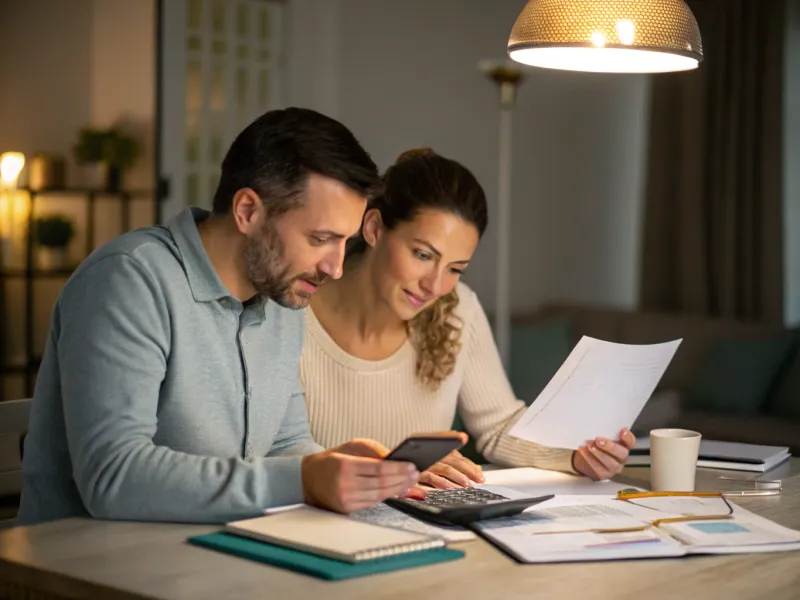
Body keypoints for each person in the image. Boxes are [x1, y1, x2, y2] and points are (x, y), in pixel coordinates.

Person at [17, 108, 420, 526]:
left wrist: (339, 471)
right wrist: (303, 479)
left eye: (344, 242)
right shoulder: (128, 279)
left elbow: (286, 441)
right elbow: (113, 476)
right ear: (248, 210)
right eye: (321, 239)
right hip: (84, 570)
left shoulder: (282, 293)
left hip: (211, 553)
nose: (335, 267)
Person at [300, 148, 636, 489]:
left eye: (455, 269)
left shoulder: (458, 309)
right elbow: (265, 457)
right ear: (373, 228)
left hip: (423, 522)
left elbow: (498, 427)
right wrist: (395, 469)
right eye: (422, 254)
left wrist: (577, 456)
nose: (434, 286)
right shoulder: (293, 309)